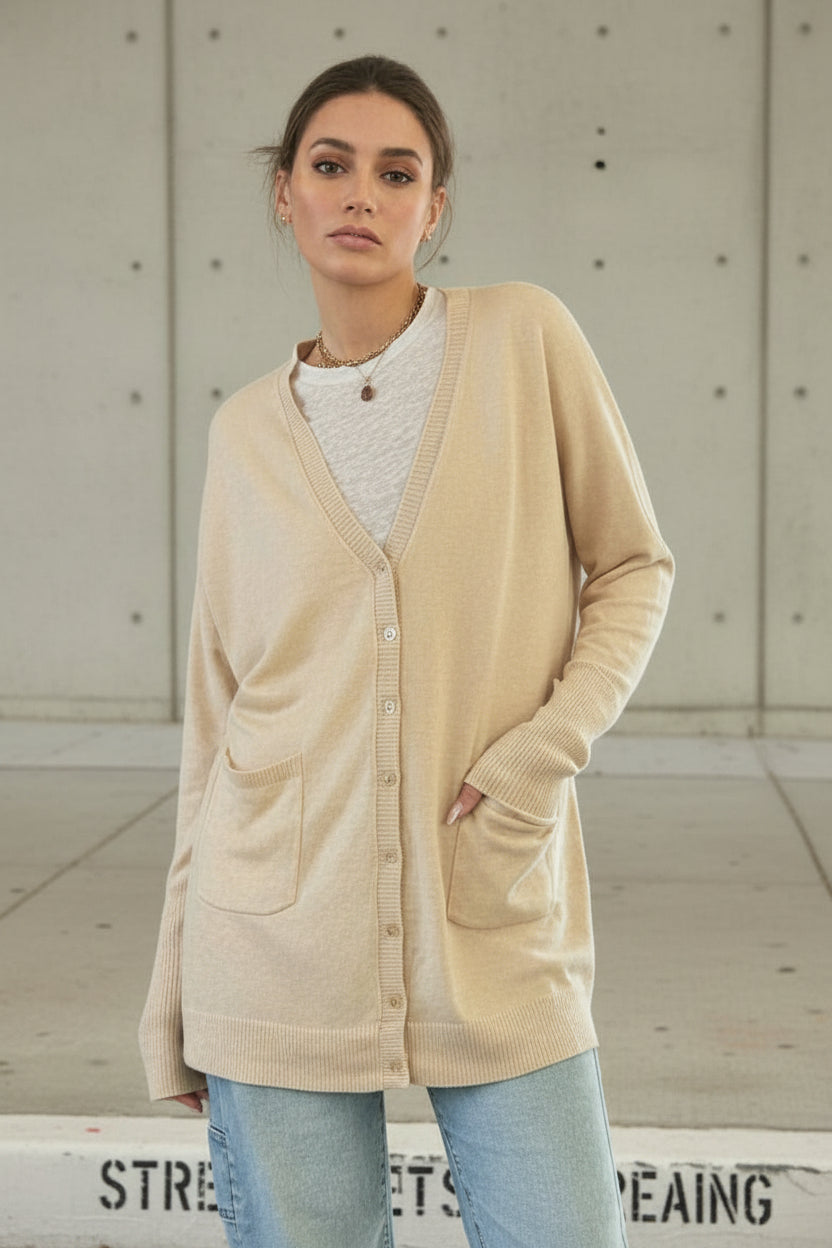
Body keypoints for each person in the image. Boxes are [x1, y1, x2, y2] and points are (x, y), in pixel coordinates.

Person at [139, 53, 674, 1248]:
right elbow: (221, 719)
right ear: (285, 193)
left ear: (434, 208)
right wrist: (172, 987)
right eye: (330, 165)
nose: (360, 194)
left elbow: (634, 568)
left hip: (493, 919)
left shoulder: (525, 339)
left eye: (396, 173)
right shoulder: (243, 433)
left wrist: (542, 754)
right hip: (269, 947)